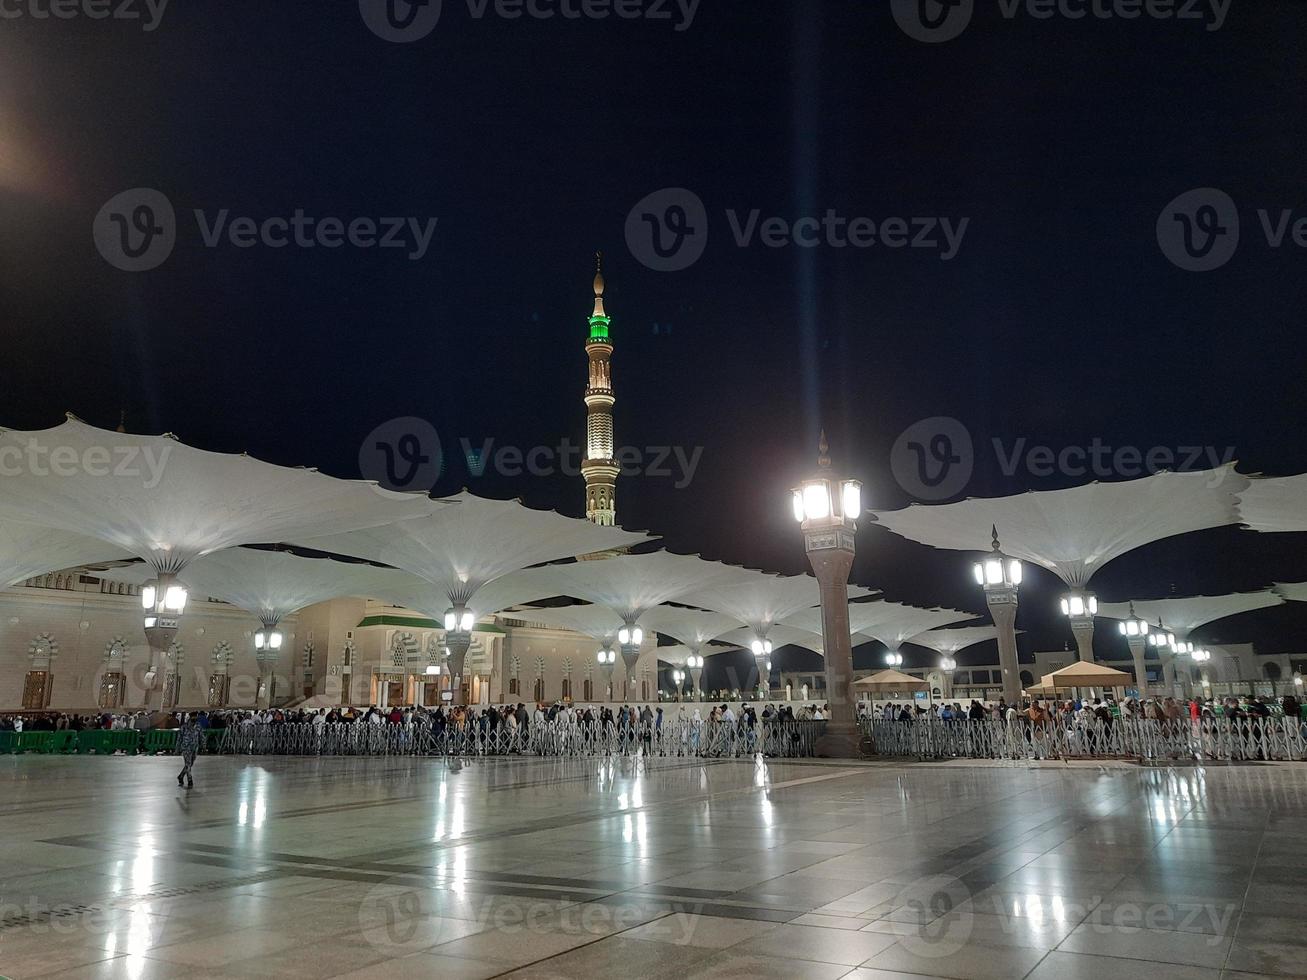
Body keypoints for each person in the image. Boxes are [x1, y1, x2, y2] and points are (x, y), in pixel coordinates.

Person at [176, 713, 202, 788]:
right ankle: (190, 780)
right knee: (188, 764)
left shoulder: (198, 726)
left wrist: (203, 745)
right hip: (186, 747)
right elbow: (179, 738)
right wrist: (177, 748)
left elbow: (201, 736)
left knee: (190, 764)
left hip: (194, 748)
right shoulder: (184, 727)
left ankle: (181, 776)